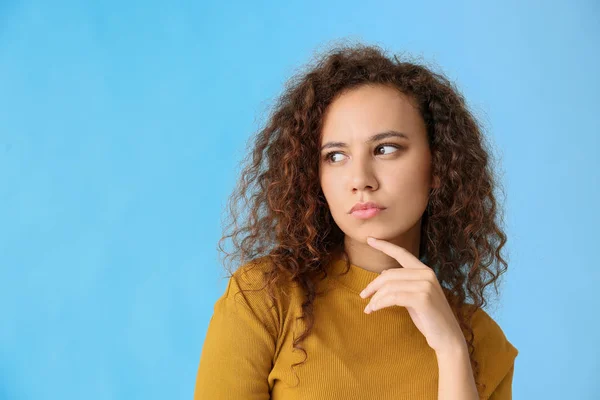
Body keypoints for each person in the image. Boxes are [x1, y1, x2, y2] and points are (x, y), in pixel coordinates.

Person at [193, 42, 518, 400]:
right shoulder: (265, 297)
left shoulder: (480, 340)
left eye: (385, 149)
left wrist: (452, 351)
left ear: (438, 165)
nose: (360, 178)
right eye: (335, 156)